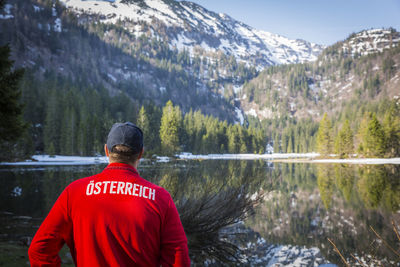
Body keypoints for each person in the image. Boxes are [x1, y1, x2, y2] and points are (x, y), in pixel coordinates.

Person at [29, 122, 190, 266]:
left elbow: (39, 250)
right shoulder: (160, 198)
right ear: (141, 154)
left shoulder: (75, 192)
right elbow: (179, 260)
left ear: (106, 150)